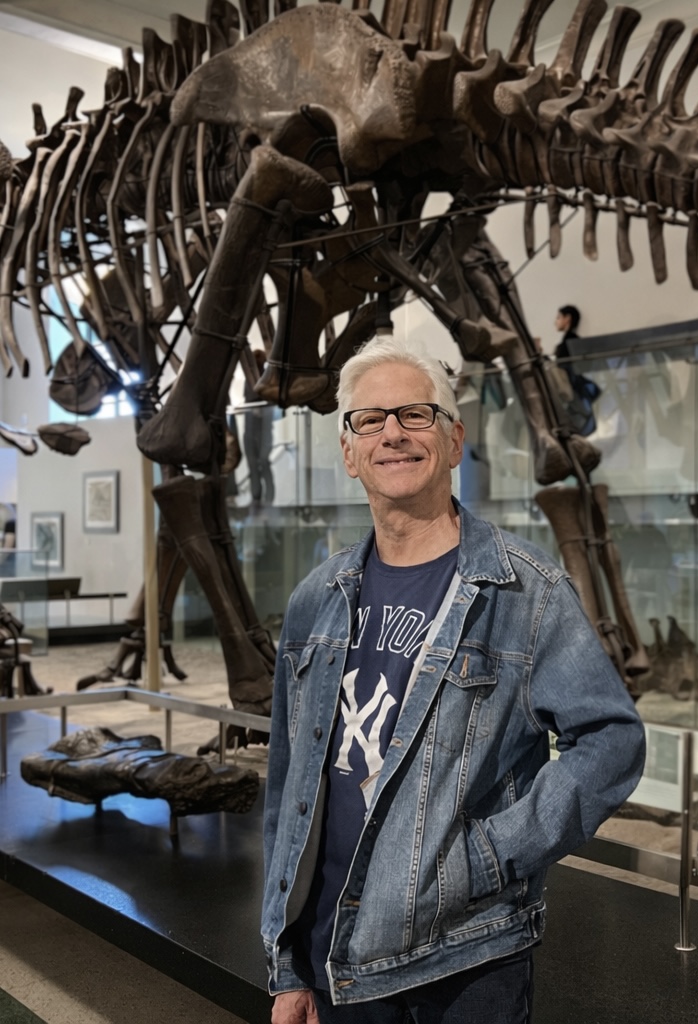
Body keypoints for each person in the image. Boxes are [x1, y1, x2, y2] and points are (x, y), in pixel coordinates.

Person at [261, 336, 646, 1023]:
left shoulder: (527, 593)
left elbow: (611, 741)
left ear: (453, 438)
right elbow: (290, 788)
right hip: (335, 960)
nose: (393, 434)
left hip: (466, 958)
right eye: (369, 421)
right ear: (349, 452)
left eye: (416, 415)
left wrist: (492, 856)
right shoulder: (314, 599)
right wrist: (285, 961)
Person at [553, 305, 601, 437]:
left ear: (567, 319)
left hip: (571, 390)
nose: (555, 322)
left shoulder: (569, 343)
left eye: (558, 317)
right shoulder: (572, 342)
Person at [244, 349, 276, 508]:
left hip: (261, 430)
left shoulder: (265, 378)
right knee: (255, 464)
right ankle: (258, 498)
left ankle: (267, 498)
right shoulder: (250, 380)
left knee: (262, 463)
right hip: (251, 429)